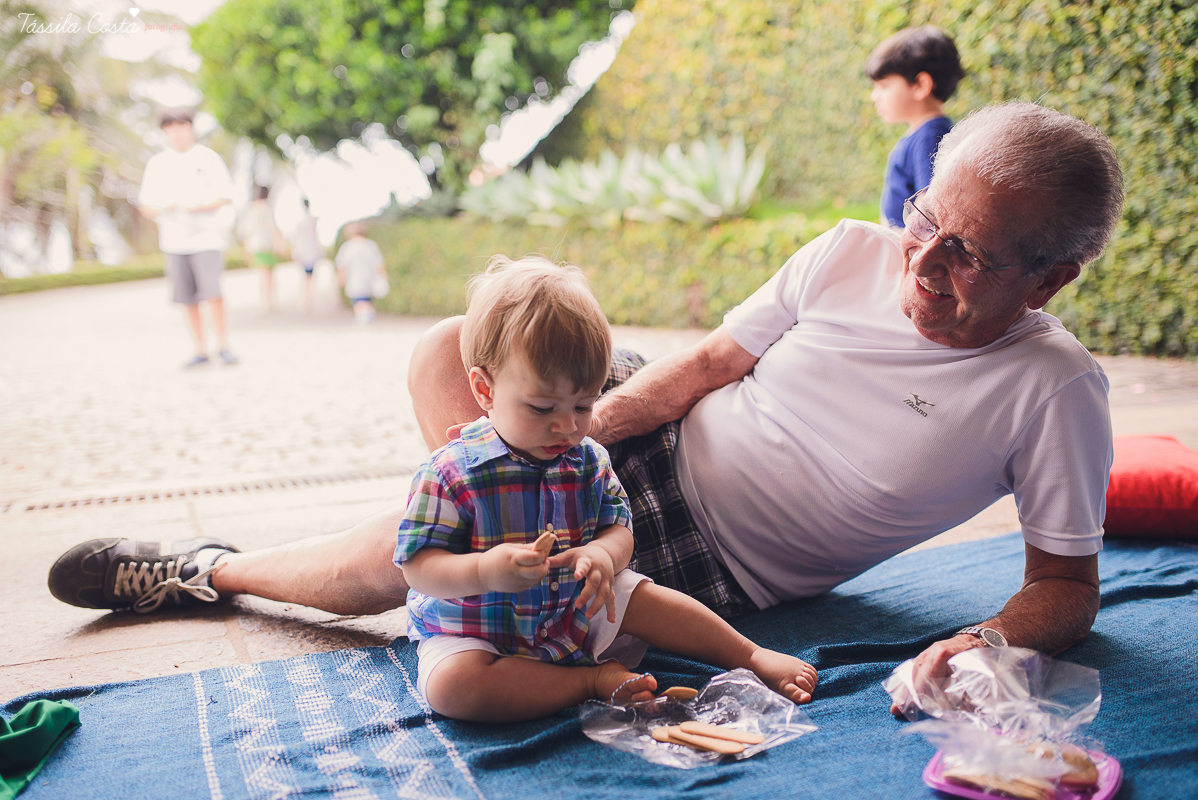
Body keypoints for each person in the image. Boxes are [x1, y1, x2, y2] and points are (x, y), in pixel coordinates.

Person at [47, 103, 1125, 718]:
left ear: (1047, 281)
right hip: (643, 424)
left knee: (391, 557)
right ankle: (497, 552)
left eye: (965, 255)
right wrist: (570, 441)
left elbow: (1065, 588)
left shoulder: (1054, 388)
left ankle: (208, 569)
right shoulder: (849, 249)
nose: (920, 262)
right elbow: (707, 362)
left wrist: (974, 643)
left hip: (715, 549)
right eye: (923, 220)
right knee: (447, 348)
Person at [394, 255, 815, 722]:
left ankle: (751, 655)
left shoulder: (588, 458)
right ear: (484, 389)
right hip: (476, 630)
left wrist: (603, 556)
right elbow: (418, 566)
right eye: (541, 407)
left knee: (640, 594)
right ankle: (588, 682)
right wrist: (483, 572)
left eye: (584, 404)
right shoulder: (452, 472)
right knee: (455, 690)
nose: (566, 425)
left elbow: (619, 528)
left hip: (568, 610)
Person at [137, 108, 238, 368]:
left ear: (191, 127)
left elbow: (226, 195)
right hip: (174, 240)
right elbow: (146, 205)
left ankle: (224, 345)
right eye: (172, 126)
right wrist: (165, 208)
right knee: (187, 298)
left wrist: (200, 206)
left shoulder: (208, 158)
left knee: (213, 293)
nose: (178, 131)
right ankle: (201, 349)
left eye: (183, 125)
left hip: (207, 238)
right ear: (165, 131)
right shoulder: (157, 164)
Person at [867, 26, 965, 229]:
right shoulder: (923, 132)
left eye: (884, 86)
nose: (874, 96)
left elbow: (930, 200)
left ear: (921, 85)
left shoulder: (930, 135)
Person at [237, 185, 286, 312]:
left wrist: (245, 250)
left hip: (255, 246)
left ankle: (266, 302)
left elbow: (246, 231)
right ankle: (269, 301)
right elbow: (273, 228)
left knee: (263, 275)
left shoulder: (250, 209)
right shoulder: (267, 208)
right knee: (269, 275)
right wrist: (279, 243)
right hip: (267, 246)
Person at [334, 221, 386, 325]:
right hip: (369, 279)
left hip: (354, 280)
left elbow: (341, 266)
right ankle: (367, 316)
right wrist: (383, 276)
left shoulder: (347, 247)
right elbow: (378, 264)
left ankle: (363, 318)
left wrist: (340, 280)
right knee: (366, 299)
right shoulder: (371, 245)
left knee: (358, 300)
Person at [288, 198, 325, 312]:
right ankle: (308, 299)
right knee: (310, 278)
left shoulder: (302, 222)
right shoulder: (313, 220)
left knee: (305, 278)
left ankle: (306, 300)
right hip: (311, 252)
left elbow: (296, 238)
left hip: (305, 252)